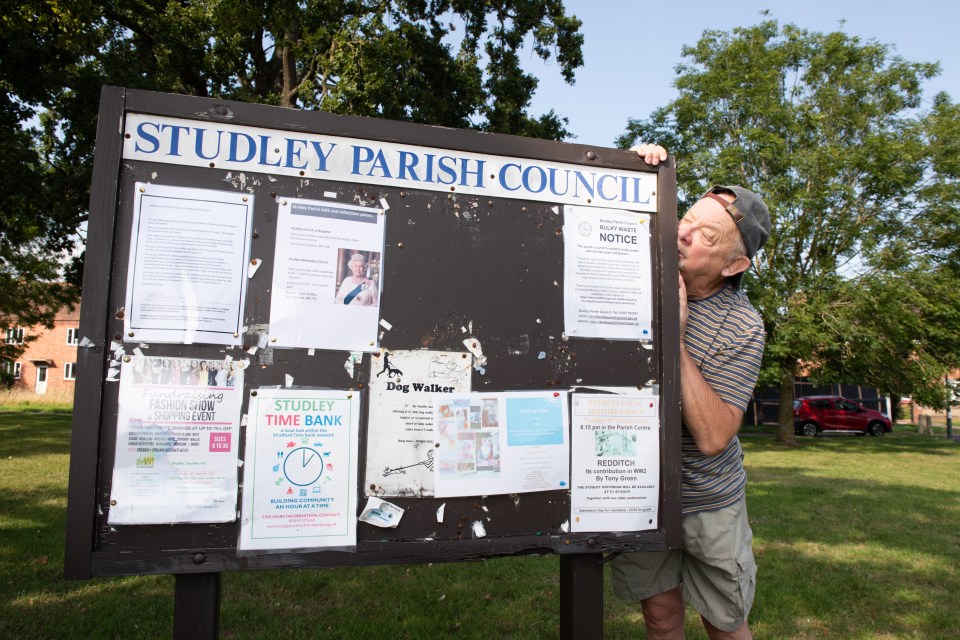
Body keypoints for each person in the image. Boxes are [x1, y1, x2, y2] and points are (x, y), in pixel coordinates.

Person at [610, 144, 770, 640]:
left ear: (733, 264)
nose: (681, 232)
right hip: (638, 491)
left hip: (708, 501)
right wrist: (638, 169)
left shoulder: (743, 325)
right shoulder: (633, 277)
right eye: (686, 217)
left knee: (725, 624)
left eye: (705, 234)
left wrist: (675, 340)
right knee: (661, 618)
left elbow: (713, 436)